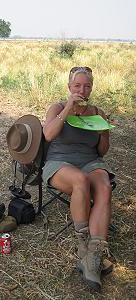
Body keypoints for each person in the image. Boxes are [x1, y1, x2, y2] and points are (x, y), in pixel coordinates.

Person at [42, 66, 115, 292]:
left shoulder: (98, 113)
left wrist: (104, 132)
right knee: (81, 181)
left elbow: (101, 151)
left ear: (91, 88)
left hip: (90, 161)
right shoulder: (58, 107)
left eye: (87, 86)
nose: (82, 90)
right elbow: (48, 135)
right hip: (60, 162)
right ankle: (82, 246)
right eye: (77, 85)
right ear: (69, 87)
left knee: (103, 185)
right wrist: (67, 110)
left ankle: (94, 253)